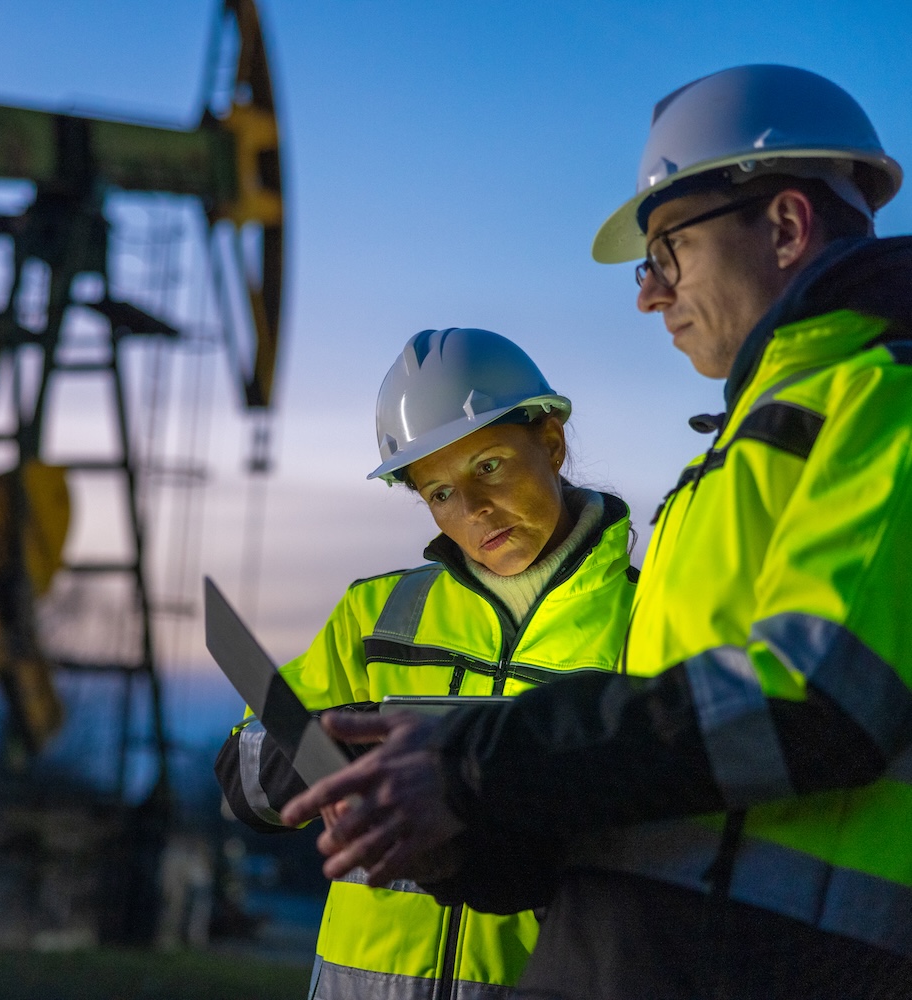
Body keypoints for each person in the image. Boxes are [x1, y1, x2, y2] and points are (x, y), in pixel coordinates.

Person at [280, 65, 912, 999]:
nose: (649, 296)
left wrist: (471, 761)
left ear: (784, 226)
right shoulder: (735, 457)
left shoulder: (883, 398)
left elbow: (815, 705)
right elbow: (663, 783)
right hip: (643, 960)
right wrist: (471, 845)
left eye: (668, 252)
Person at [215, 326, 637, 999]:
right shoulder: (377, 617)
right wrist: (353, 748)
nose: (471, 511)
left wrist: (458, 759)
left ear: (552, 443)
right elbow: (245, 778)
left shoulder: (643, 622)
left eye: (489, 466)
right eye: (439, 493)